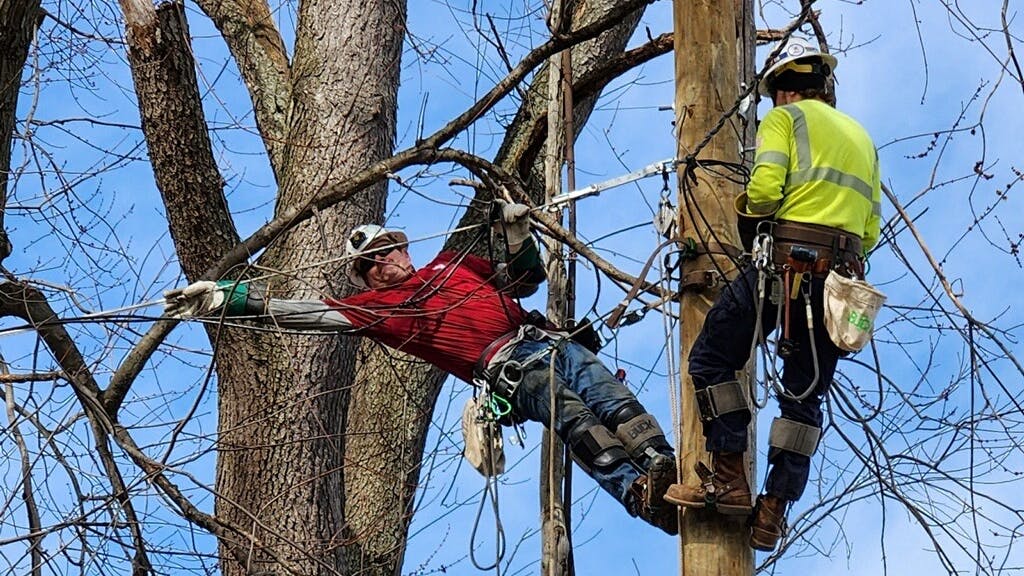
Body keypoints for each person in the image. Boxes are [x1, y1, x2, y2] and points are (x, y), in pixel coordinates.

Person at [164, 199, 680, 535]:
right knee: (576, 418)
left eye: (386, 251)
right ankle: (638, 492)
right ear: (366, 276)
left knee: (615, 402)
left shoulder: (453, 266)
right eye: (371, 262)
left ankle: (662, 464)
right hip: (510, 366)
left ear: (403, 248)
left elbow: (525, 282)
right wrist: (226, 299)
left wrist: (519, 234)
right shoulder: (378, 308)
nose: (383, 262)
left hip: (549, 340)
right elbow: (305, 313)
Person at [663, 37, 882, 552]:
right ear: (823, 86)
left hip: (784, 267)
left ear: (783, 91)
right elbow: (870, 232)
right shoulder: (863, 139)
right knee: (803, 395)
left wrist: (749, 214)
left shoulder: (785, 120)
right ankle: (773, 510)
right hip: (840, 284)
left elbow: (763, 193)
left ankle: (728, 478)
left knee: (711, 359)